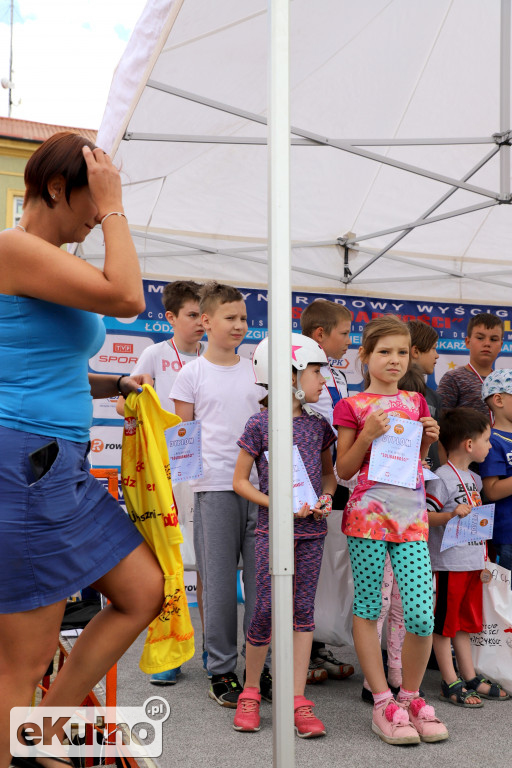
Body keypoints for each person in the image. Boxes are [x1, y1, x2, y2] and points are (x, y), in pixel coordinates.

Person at [0, 132, 165, 768]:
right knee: (21, 662)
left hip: (55, 463)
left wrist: (112, 383)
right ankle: (32, 736)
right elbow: (127, 297)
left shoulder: (40, 258)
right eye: (89, 210)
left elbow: (43, 361)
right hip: (27, 462)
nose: (96, 224)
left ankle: (46, 730)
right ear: (55, 189)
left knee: (142, 590)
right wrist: (117, 205)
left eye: (103, 216)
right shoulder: (15, 248)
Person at [334, 314, 448, 746]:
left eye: (402, 352)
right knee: (369, 609)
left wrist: (426, 442)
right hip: (365, 519)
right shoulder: (352, 405)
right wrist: (366, 435)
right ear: (364, 356)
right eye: (384, 352)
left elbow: (413, 467)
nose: (394, 360)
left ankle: (412, 696)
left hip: (412, 520)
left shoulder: (417, 403)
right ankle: (383, 701)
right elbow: (344, 470)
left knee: (420, 613)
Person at [231, 333, 337, 737]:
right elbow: (240, 481)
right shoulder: (259, 424)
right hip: (272, 534)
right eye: (315, 371)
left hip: (311, 533)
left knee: (302, 615)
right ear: (287, 374)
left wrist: (326, 499)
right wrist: (277, 504)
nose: (322, 380)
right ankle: (252, 690)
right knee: (264, 612)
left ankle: (297, 698)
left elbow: (329, 476)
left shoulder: (318, 425)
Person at [170, 281, 269, 707]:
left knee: (262, 582)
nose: (239, 325)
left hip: (261, 492)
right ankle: (222, 670)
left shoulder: (258, 370)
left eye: (244, 319)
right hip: (213, 489)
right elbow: (183, 435)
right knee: (218, 585)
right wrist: (189, 491)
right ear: (206, 321)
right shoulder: (189, 373)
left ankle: (258, 669)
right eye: (230, 318)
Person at [116, 279, 207, 685]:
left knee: (205, 560)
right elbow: (123, 402)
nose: (200, 323)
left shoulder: (216, 356)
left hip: (202, 468)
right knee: (167, 561)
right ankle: (170, 649)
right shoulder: (154, 353)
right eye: (191, 315)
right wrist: (139, 395)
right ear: (170, 317)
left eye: (204, 315)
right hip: (162, 471)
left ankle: (210, 647)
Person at [425, 407, 510, 705]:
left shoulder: (473, 479)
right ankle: (449, 681)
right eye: (487, 440)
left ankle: (469, 674)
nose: (490, 445)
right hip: (449, 565)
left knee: (464, 623)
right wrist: (449, 514)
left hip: (472, 562)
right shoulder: (441, 478)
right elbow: (424, 516)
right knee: (445, 624)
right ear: (469, 444)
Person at [299, 298, 355, 683]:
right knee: (299, 571)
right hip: (301, 482)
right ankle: (288, 654)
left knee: (323, 569)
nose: (350, 341)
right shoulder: (297, 369)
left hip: (334, 479)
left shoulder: (339, 375)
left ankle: (317, 645)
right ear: (320, 335)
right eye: (345, 333)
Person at [437, 313, 503, 416]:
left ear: (500, 346)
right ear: (468, 342)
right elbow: (440, 421)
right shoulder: (453, 378)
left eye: (493, 339)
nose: (487, 343)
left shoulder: (505, 382)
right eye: (480, 338)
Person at [480, 370, 512, 581]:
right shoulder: (492, 440)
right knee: (506, 604)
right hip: (507, 535)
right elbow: (491, 491)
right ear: (498, 399)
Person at [406, 319, 442, 469]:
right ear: (415, 352)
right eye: (433, 348)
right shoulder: (394, 394)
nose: (437, 355)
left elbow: (439, 443)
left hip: (431, 480)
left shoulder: (434, 397)